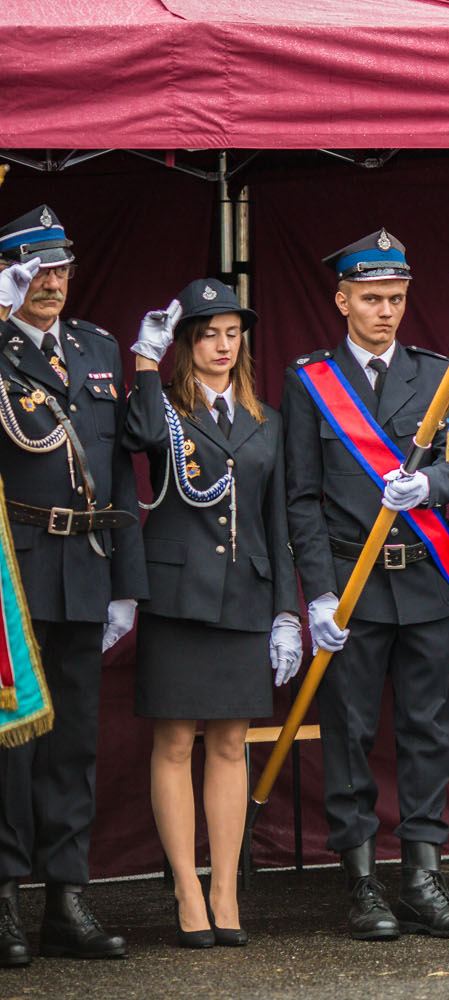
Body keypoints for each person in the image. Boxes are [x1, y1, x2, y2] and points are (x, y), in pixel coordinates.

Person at [281, 229, 449, 940]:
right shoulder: (312, 381)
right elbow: (300, 497)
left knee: (428, 731)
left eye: (395, 298)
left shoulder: (435, 373)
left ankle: (423, 877)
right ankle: (362, 881)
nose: (386, 311)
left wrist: (432, 485)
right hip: (353, 586)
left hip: (424, 581)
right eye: (371, 299)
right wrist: (318, 593)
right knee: (350, 733)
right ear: (343, 301)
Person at [123, 278, 302, 948]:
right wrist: (144, 363)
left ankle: (224, 887)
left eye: (232, 334)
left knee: (229, 744)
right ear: (186, 343)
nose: (222, 346)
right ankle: (187, 887)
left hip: (245, 597)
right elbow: (138, 437)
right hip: (176, 598)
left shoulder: (267, 420)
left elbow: (277, 522)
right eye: (207, 335)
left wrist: (286, 612)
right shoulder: (164, 406)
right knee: (174, 743)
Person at [0, 206, 147, 964]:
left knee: (73, 743)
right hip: (14, 571)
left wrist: (126, 579)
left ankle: (66, 897)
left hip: (85, 563)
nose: (51, 283)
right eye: (35, 271)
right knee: (10, 741)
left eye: (59, 268)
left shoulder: (96, 347)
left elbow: (119, 466)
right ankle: (4, 897)